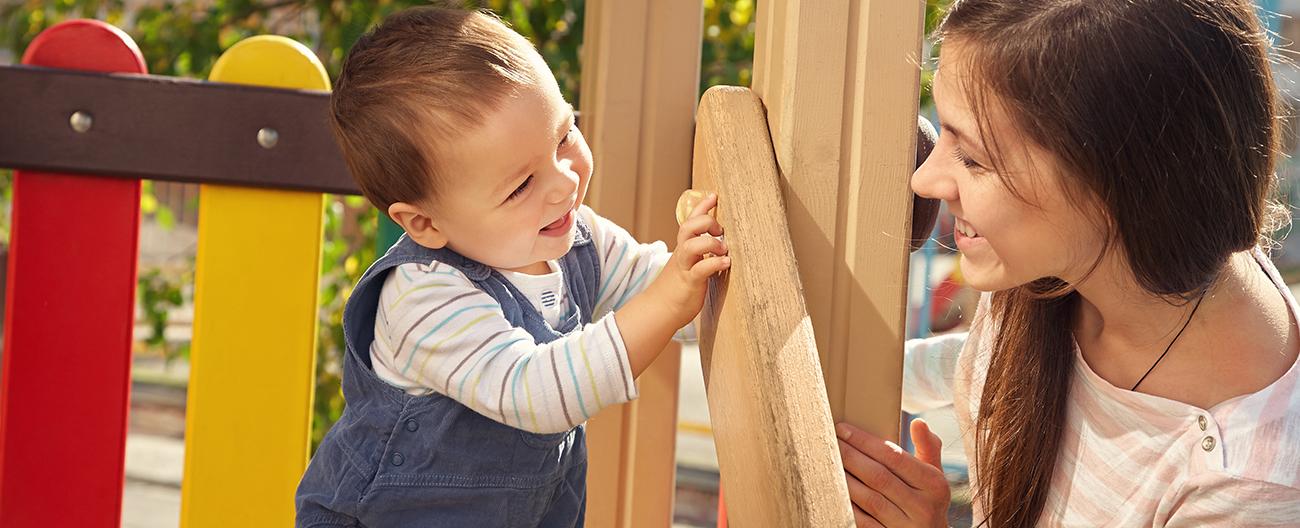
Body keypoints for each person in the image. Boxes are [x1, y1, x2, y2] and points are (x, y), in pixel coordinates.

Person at [835, 0, 1300, 526]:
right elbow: (984, 362)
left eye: (973, 157)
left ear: (1117, 181)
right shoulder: (1078, 260)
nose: (925, 181)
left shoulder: (1247, 489)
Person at [294, 7, 729, 527]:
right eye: (520, 186)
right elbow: (536, 390)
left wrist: (701, 269)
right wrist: (668, 299)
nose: (564, 182)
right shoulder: (423, 297)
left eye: (564, 136)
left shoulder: (579, 240)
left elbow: (676, 297)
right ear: (426, 224)